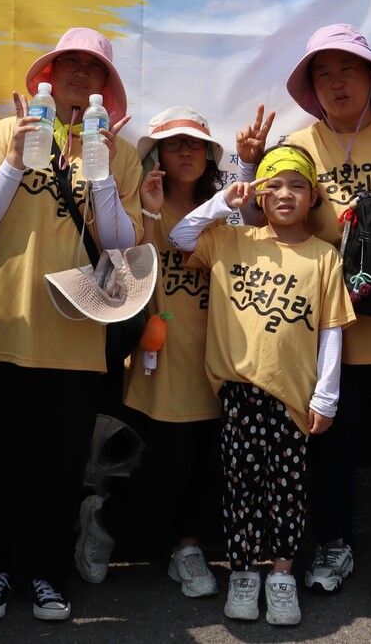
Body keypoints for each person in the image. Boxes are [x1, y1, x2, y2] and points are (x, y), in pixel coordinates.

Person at [238, 24, 371, 614]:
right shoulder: (299, 144)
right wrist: (250, 169)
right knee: (331, 454)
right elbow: (269, 225)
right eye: (322, 73)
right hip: (332, 339)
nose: (336, 82)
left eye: (347, 70)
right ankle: (333, 546)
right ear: (311, 86)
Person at [0, 27, 141, 623]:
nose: (81, 75)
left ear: (105, 86)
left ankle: (44, 575)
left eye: (94, 68)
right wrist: (12, 162)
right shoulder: (9, 130)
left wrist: (106, 174)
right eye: (71, 64)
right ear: (49, 74)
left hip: (74, 336)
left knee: (57, 470)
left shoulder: (122, 151)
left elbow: (120, 245)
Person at [169, 143, 355, 627]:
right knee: (240, 486)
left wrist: (326, 396)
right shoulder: (232, 240)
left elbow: (332, 329)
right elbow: (180, 234)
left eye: (297, 185)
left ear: (313, 197)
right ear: (259, 194)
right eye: (274, 185)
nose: (285, 194)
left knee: (288, 490)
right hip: (239, 393)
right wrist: (224, 202)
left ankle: (282, 575)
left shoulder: (324, 256)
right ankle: (245, 574)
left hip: (294, 395)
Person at [72, 106, 228, 598]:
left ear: (208, 156)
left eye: (195, 144)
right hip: (163, 360)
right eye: (175, 144)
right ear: (157, 154)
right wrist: (152, 209)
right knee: (168, 463)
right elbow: (127, 266)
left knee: (210, 464)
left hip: (221, 358)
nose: (186, 152)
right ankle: (104, 522)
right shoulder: (140, 205)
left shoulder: (226, 209)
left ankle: (187, 547)